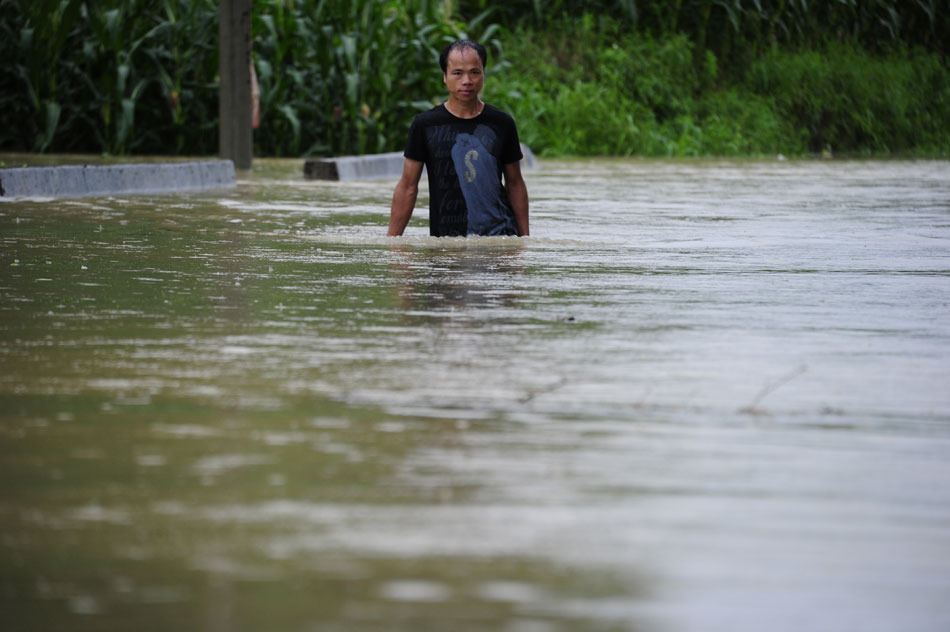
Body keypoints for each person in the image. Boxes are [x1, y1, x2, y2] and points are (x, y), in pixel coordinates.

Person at [387, 40, 529, 237]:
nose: (467, 81)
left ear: (483, 75)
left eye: (474, 72)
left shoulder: (501, 124)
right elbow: (408, 186)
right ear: (445, 77)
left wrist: (524, 242)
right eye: (457, 73)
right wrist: (393, 243)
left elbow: (515, 183)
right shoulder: (425, 125)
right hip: (445, 241)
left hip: (499, 238)